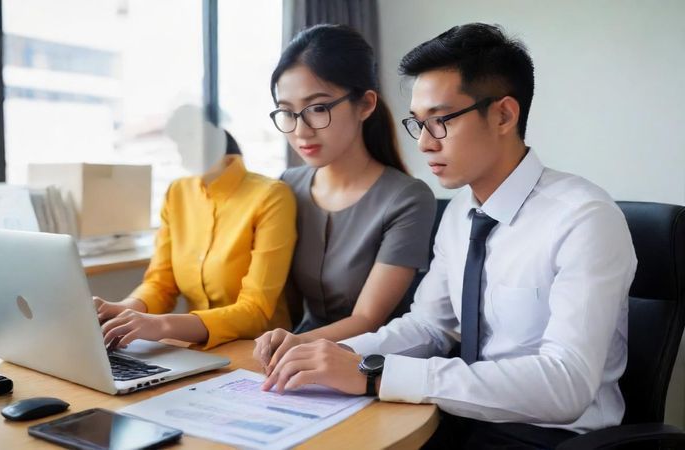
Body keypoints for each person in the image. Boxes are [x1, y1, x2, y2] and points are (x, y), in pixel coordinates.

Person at [261, 23, 637, 449]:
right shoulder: (461, 213)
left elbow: (565, 384)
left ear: (503, 115)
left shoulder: (584, 219)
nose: (423, 144)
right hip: (456, 418)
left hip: (551, 438)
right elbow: (429, 328)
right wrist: (339, 355)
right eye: (417, 124)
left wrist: (376, 373)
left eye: (439, 122)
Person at [253, 24, 436, 374]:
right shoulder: (285, 187)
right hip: (297, 360)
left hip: (373, 368)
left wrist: (296, 344)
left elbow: (367, 319)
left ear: (365, 104)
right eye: (287, 112)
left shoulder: (408, 199)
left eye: (317, 109)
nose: (300, 130)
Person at [96, 106, 296, 350]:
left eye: (190, 137)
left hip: (260, 350)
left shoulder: (271, 196)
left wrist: (162, 326)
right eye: (178, 141)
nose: (182, 149)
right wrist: (128, 308)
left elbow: (256, 310)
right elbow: (161, 283)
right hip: (195, 348)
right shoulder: (177, 192)